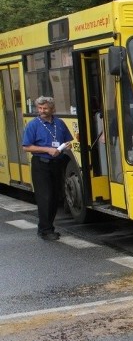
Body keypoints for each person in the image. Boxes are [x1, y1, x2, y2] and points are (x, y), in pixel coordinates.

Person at [22, 96, 74, 241]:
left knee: (55, 197)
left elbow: (67, 140)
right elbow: (26, 147)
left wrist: (67, 145)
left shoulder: (59, 123)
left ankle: (47, 227)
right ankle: (45, 230)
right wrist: (47, 150)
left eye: (45, 108)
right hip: (41, 163)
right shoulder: (33, 125)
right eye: (39, 108)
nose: (42, 111)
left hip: (57, 163)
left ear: (52, 109)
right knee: (45, 197)